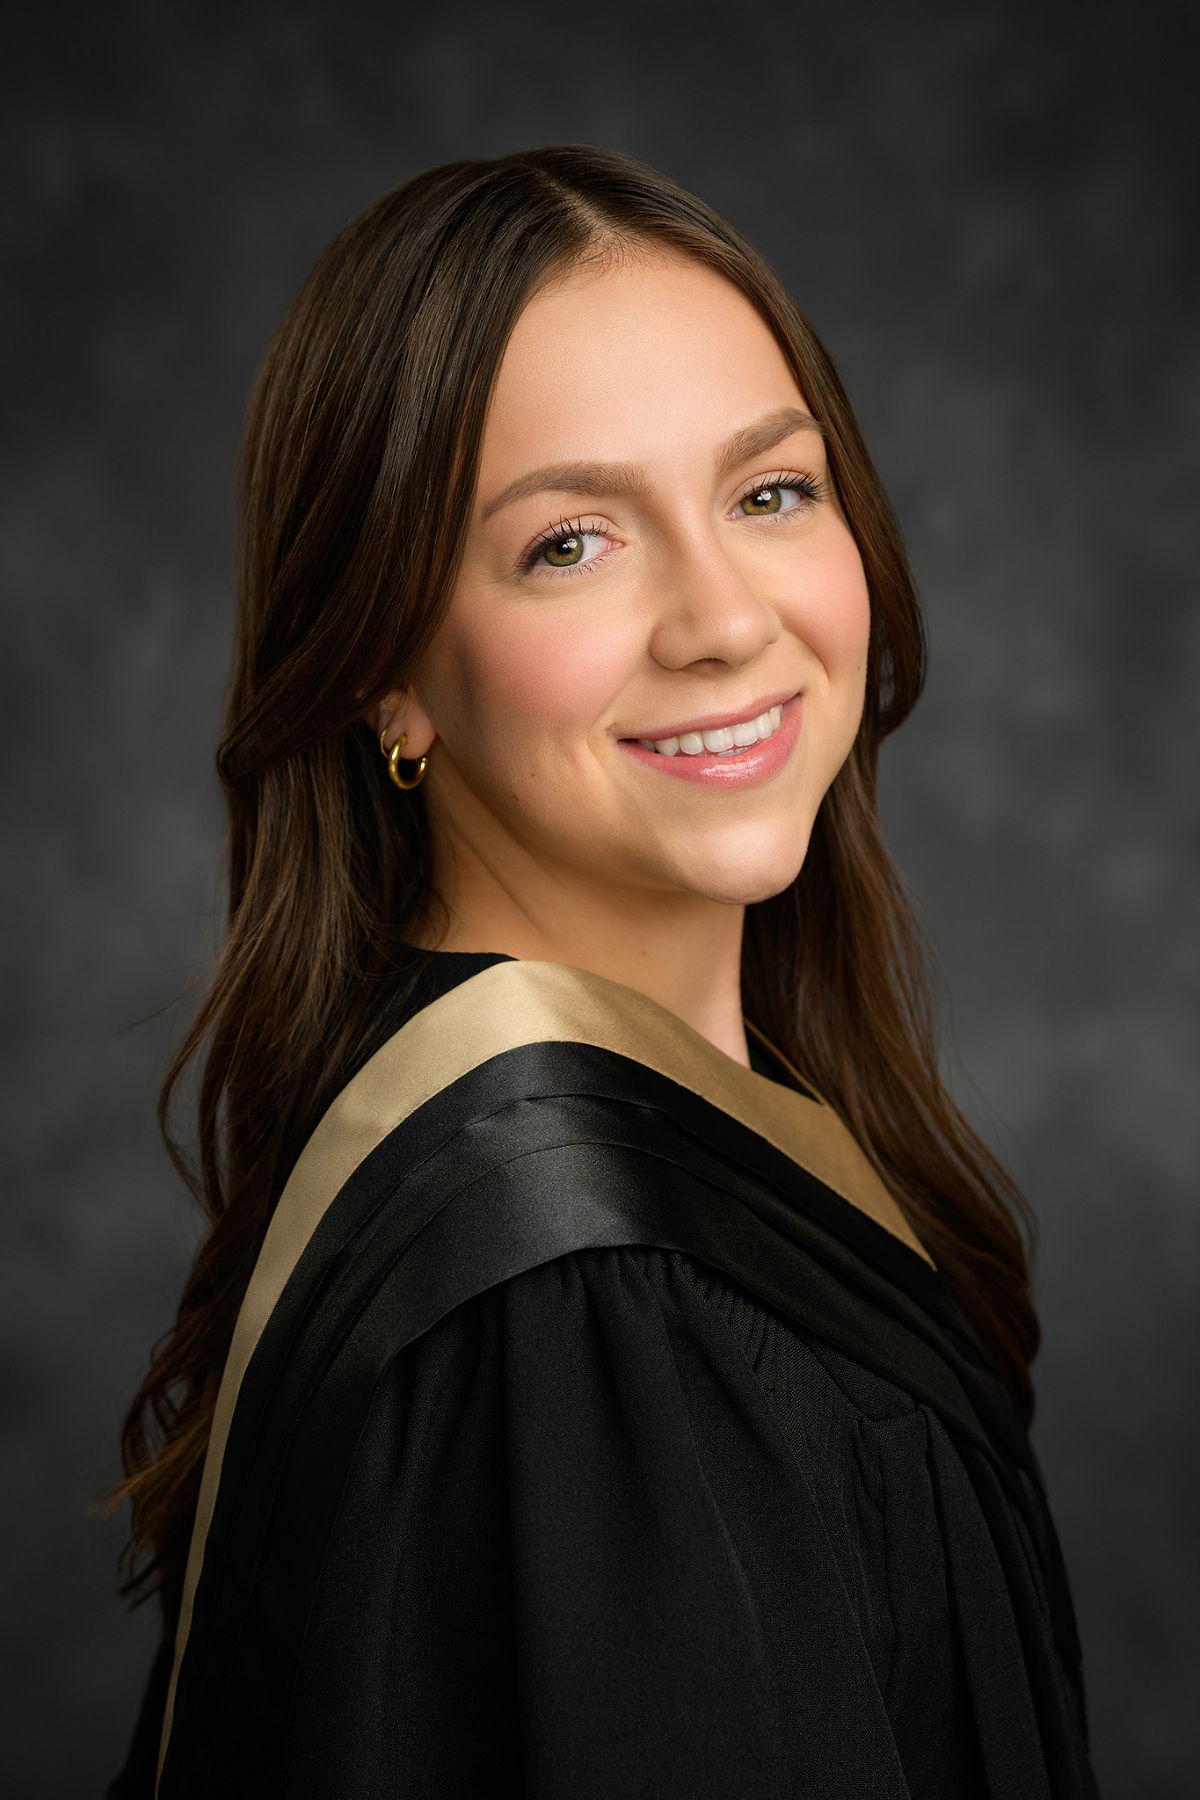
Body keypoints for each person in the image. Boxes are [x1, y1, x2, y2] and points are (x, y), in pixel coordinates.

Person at [105, 145, 1098, 1798]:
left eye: (771, 492)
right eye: (571, 541)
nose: (723, 618)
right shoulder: (591, 1320)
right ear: (383, 671)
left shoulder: (620, 1144)